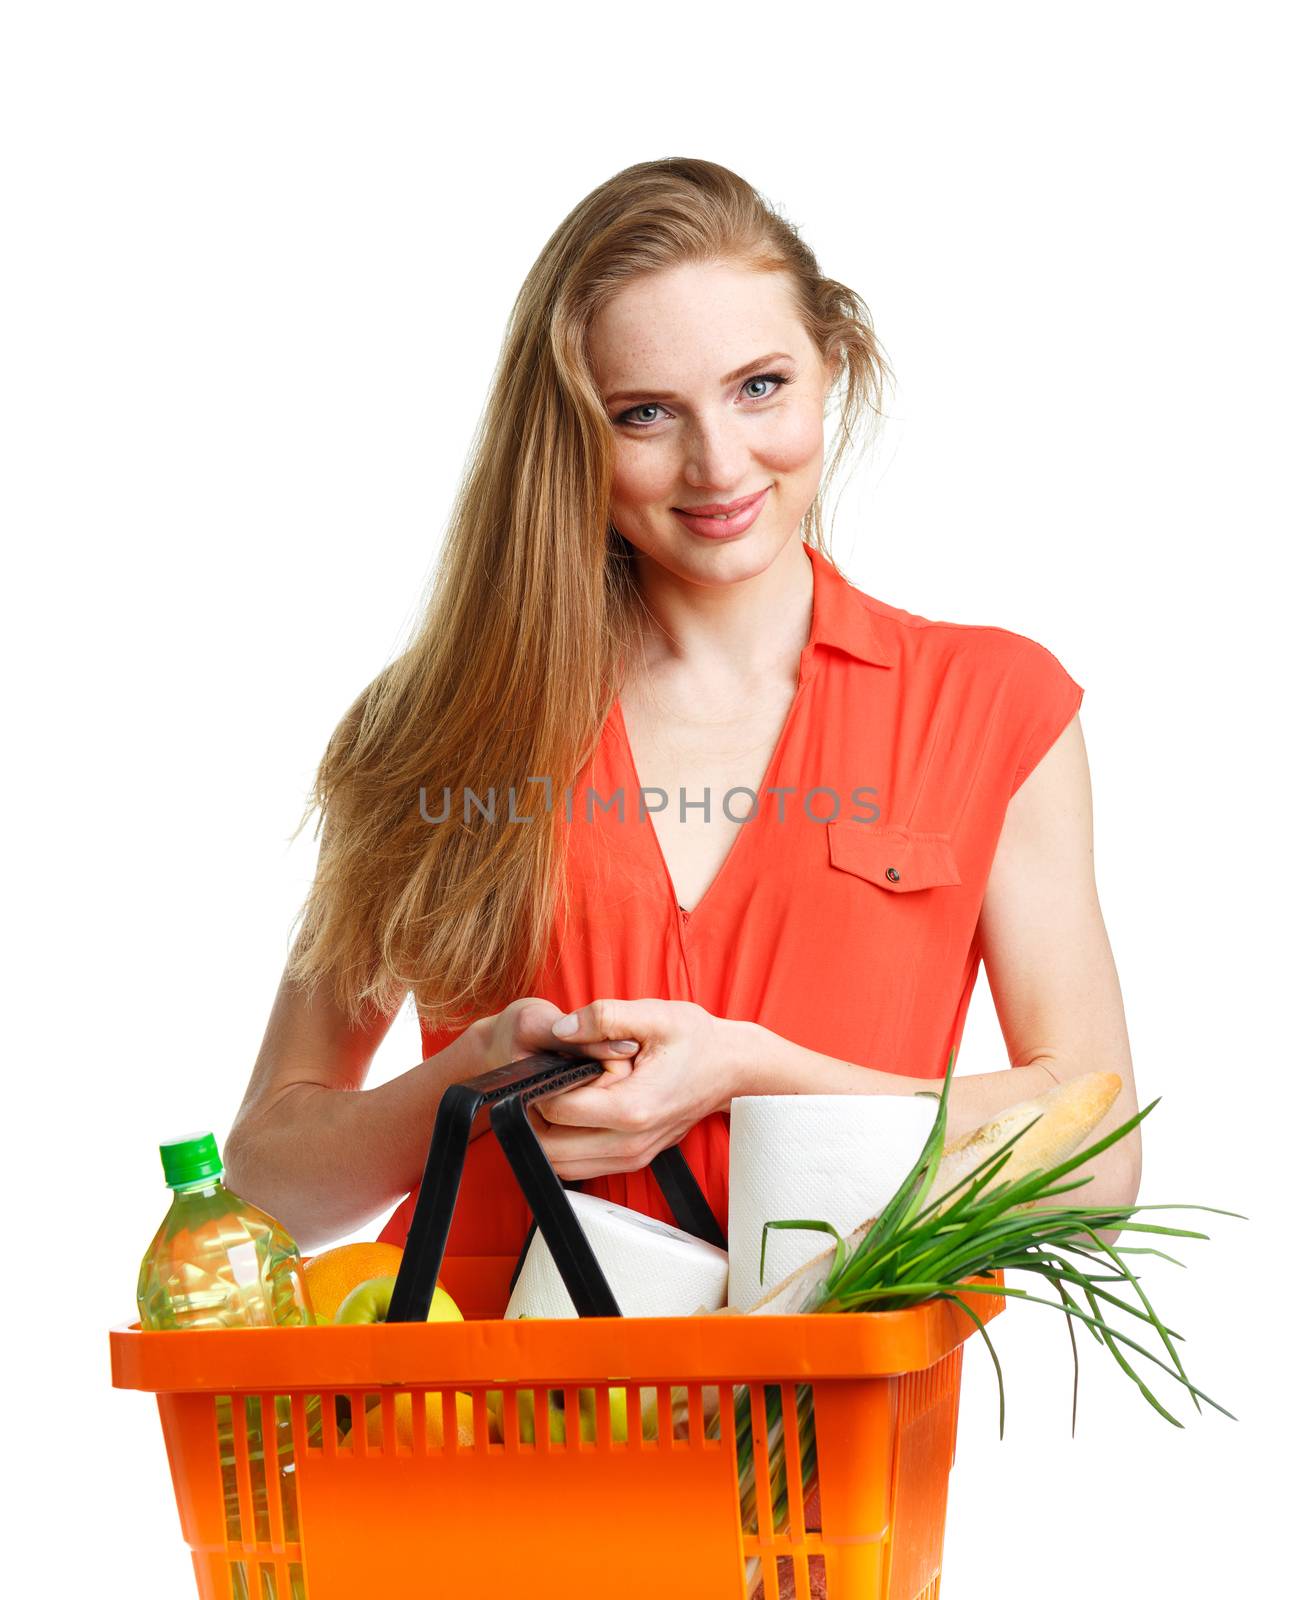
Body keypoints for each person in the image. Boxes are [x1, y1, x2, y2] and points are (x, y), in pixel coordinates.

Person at [224, 157, 1140, 1326]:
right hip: (467, 1444)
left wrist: (757, 1071)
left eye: (759, 386)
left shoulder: (993, 707)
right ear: (567, 432)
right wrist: (459, 1091)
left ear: (833, 366)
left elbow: (1097, 1155)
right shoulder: (429, 729)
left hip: (822, 1446)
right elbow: (269, 1183)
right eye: (643, 414)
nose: (716, 465)